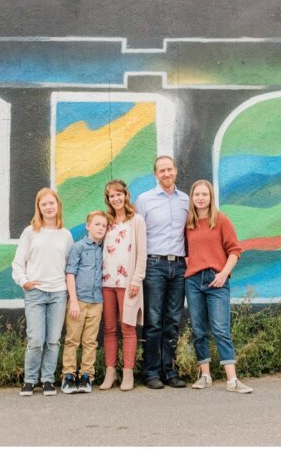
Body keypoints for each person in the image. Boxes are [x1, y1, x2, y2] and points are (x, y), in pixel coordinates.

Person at [184, 179, 252, 394]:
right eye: (197, 194)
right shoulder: (189, 223)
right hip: (193, 281)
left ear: (211, 197)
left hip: (217, 280)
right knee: (199, 330)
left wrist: (223, 273)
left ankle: (232, 380)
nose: (200, 198)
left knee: (221, 329)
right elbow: (185, 251)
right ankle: (205, 375)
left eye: (205, 194)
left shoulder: (221, 220)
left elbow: (235, 250)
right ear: (192, 198)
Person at [12, 188, 74, 396]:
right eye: (44, 204)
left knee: (53, 339)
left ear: (58, 205)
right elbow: (18, 263)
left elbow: (70, 266)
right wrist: (24, 282)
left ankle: (48, 379)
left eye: (51, 203)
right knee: (36, 339)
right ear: (38, 207)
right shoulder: (30, 232)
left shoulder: (65, 235)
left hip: (58, 293)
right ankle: (30, 380)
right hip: (36, 293)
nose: (48, 207)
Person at [135, 155, 189, 389]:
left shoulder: (185, 200)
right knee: (154, 321)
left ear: (175, 171)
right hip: (154, 264)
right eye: (161, 170)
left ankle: (170, 371)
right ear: (155, 174)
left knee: (173, 321)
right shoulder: (144, 200)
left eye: (170, 169)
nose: (166, 174)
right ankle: (150, 372)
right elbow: (138, 236)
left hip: (178, 265)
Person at [99, 179, 147, 392]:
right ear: (108, 200)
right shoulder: (106, 221)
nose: (116, 199)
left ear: (125, 195)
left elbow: (142, 253)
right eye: (112, 196)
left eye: (119, 194)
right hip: (106, 282)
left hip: (128, 283)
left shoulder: (136, 220)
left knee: (127, 327)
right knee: (109, 328)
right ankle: (111, 371)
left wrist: (137, 279)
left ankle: (128, 372)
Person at [61, 210, 108, 394]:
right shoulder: (79, 247)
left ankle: (87, 375)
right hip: (78, 301)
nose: (100, 228)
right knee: (72, 340)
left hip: (97, 302)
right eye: (97, 224)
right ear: (88, 226)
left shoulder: (104, 248)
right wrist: (73, 301)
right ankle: (68, 376)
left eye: (104, 226)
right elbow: (70, 273)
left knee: (90, 341)